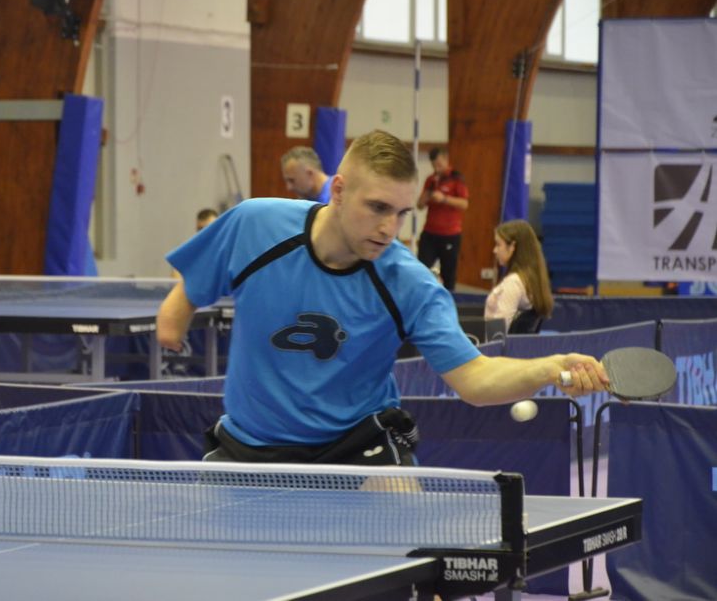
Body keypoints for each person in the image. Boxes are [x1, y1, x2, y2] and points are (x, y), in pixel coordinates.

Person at [157, 130, 608, 466]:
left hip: (359, 447)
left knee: (408, 548)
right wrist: (171, 326)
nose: (389, 229)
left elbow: (475, 378)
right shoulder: (255, 224)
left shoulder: (410, 283)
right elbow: (188, 290)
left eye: (401, 213)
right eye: (377, 208)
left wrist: (549, 368)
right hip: (248, 448)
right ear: (338, 191)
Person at [416, 147, 469, 291]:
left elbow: (464, 204)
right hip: (430, 233)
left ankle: (450, 299)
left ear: (446, 160)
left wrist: (444, 199)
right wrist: (427, 195)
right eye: (434, 165)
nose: (436, 168)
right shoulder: (430, 180)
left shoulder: (456, 178)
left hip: (450, 234)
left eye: (439, 165)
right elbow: (419, 205)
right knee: (420, 269)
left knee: (448, 274)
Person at [485, 219, 553, 330]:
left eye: (498, 244)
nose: (494, 250)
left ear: (512, 247)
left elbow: (497, 333)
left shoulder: (513, 283)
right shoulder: (531, 279)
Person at [172, 208, 219, 280]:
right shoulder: (186, 255)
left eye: (211, 228)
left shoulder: (226, 254)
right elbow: (176, 281)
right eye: (201, 229)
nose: (206, 233)